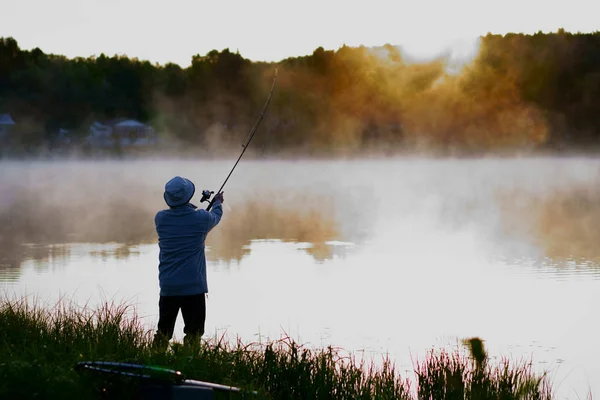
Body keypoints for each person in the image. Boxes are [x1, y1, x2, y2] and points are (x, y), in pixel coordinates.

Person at [153, 176, 224, 349]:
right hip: (193, 287)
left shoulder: (160, 219)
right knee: (194, 332)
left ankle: (154, 357)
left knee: (163, 331)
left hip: (169, 286)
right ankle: (190, 362)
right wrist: (218, 202)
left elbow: (182, 217)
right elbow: (215, 216)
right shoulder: (201, 218)